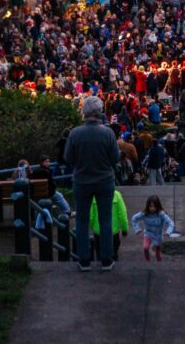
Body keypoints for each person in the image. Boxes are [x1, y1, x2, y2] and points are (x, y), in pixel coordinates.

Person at [64, 96, 122, 271]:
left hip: (82, 181)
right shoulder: (108, 133)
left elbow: (68, 158)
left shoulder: (75, 133)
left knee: (81, 221)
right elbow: (115, 157)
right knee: (105, 219)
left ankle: (84, 260)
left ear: (84, 112)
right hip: (104, 181)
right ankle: (106, 259)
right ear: (100, 112)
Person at [131, 194, 176, 263]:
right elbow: (134, 218)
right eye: (151, 206)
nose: (152, 208)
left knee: (157, 249)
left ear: (158, 206)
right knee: (145, 247)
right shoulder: (144, 213)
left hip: (158, 235)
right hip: (148, 233)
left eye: (155, 206)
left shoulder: (161, 214)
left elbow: (171, 223)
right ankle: (147, 257)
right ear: (148, 206)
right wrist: (137, 229)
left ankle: (158, 255)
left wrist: (168, 232)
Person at [89, 188, 129, 262]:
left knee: (99, 253)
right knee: (114, 253)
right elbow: (122, 215)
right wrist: (124, 229)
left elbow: (90, 216)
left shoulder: (93, 196)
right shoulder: (117, 195)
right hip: (113, 232)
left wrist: (92, 226)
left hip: (98, 232)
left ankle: (101, 265)